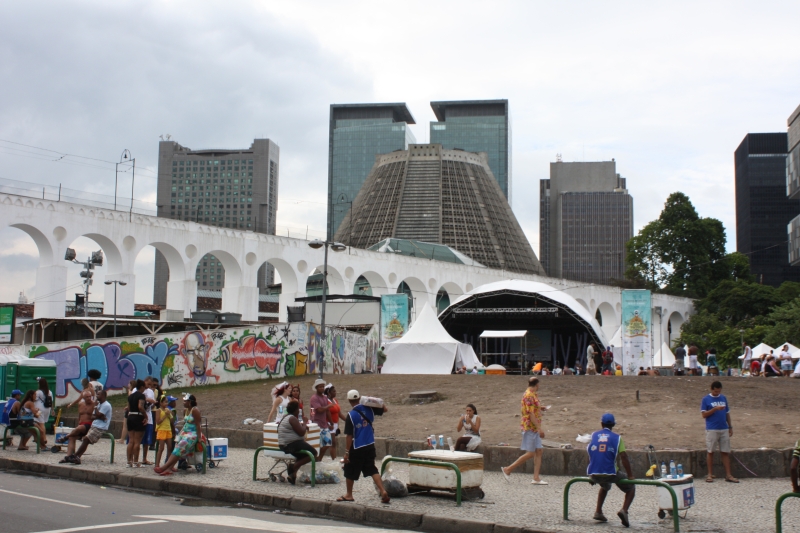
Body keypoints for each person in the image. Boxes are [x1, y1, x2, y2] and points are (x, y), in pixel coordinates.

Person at [338, 389, 390, 504]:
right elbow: (385, 409)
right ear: (359, 398)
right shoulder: (369, 409)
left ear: (349, 400)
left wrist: (347, 453)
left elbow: (349, 436)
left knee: (349, 470)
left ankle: (349, 495)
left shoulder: (351, 415)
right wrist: (373, 401)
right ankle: (383, 491)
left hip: (357, 447)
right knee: (372, 469)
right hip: (370, 445)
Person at [587, 413, 635, 527]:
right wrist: (630, 475)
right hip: (610, 473)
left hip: (594, 473)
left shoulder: (594, 435)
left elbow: (591, 453)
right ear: (613, 425)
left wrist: (591, 474)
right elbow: (624, 457)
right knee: (631, 487)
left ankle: (598, 511)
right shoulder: (617, 438)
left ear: (601, 423)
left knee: (605, 486)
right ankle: (624, 510)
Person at [501, 377, 548, 485]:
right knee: (531, 453)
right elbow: (530, 413)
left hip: (532, 427)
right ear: (537, 384)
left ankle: (536, 478)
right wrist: (539, 429)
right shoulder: (529, 395)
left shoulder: (532, 394)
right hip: (530, 427)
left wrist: (540, 408)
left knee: (539, 451)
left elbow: (531, 408)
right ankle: (508, 469)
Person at [155, 394, 203, 476]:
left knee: (180, 447)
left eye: (185, 401)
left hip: (192, 433)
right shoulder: (185, 410)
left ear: (190, 402)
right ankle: (169, 468)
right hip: (185, 432)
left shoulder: (195, 410)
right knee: (177, 446)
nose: (183, 403)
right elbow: (185, 423)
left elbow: (198, 425)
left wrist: (199, 437)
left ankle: (165, 467)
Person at [701, 381, 738, 483]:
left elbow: (727, 413)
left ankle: (728, 475)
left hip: (724, 428)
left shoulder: (723, 398)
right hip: (712, 428)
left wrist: (730, 426)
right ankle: (709, 474)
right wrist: (715, 409)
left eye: (719, 391)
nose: (717, 393)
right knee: (711, 451)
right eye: (716, 391)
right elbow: (704, 415)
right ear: (712, 389)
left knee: (725, 451)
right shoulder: (706, 399)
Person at [62, 390, 111, 465]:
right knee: (75, 437)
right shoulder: (96, 405)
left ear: (103, 396)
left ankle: (74, 456)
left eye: (98, 394)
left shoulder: (105, 405)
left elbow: (97, 415)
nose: (96, 396)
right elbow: (93, 416)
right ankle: (70, 457)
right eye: (86, 397)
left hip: (100, 427)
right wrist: (99, 416)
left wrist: (96, 412)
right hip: (94, 425)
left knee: (85, 439)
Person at [276, 400, 318, 484]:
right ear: (295, 410)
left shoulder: (285, 417)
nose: (299, 410)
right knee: (313, 453)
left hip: (284, 444)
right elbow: (301, 432)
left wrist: (302, 425)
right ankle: (293, 467)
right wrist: (305, 422)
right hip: (291, 444)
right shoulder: (292, 418)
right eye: (298, 408)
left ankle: (292, 475)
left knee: (302, 456)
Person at [59, 385, 95, 457]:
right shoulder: (81, 404)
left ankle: (65, 437)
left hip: (88, 424)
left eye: (90, 397)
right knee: (72, 437)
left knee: (79, 428)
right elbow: (80, 415)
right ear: (83, 398)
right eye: (87, 397)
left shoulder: (94, 404)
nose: (89, 398)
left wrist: (91, 389)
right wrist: (79, 422)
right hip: (81, 424)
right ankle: (68, 456)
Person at [310, 378, 333, 459]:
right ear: (316, 388)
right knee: (318, 444)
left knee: (328, 443)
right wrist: (328, 406)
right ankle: (317, 458)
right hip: (316, 424)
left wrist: (331, 422)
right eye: (320, 387)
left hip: (324, 424)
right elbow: (319, 410)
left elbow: (327, 411)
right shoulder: (314, 398)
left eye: (323, 387)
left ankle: (319, 458)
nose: (322, 388)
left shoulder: (324, 398)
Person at [126, 379, 147, 468]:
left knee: (131, 441)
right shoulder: (141, 396)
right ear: (141, 387)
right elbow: (140, 407)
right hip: (138, 417)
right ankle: (136, 462)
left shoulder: (130, 396)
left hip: (130, 416)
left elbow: (128, 408)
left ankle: (129, 462)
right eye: (144, 387)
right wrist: (146, 416)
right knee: (137, 441)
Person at [140, 377, 158, 465]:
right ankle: (133, 459)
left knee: (146, 441)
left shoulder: (150, 391)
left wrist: (151, 402)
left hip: (148, 417)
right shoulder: (138, 390)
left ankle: (144, 458)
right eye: (149, 384)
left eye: (151, 385)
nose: (150, 386)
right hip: (139, 417)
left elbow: (152, 404)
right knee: (136, 439)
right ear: (145, 382)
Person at [154, 395, 174, 467]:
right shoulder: (158, 410)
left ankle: (169, 465)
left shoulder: (167, 410)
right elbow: (158, 422)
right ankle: (157, 464)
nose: (167, 404)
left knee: (170, 447)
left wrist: (170, 414)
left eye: (167, 402)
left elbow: (171, 421)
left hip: (168, 429)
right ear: (161, 403)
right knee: (161, 448)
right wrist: (165, 415)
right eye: (165, 402)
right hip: (161, 430)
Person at [33, 377, 52, 450]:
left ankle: (43, 438)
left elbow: (34, 399)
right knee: (42, 423)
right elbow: (51, 400)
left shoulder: (38, 392)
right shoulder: (50, 392)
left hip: (39, 408)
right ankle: (42, 437)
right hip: (47, 408)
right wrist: (52, 410)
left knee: (40, 423)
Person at [324, 383, 341, 460]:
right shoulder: (326, 401)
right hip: (329, 424)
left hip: (335, 424)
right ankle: (333, 459)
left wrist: (347, 420)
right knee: (332, 442)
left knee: (333, 443)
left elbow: (339, 413)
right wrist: (330, 424)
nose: (335, 392)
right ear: (329, 392)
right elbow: (326, 413)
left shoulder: (335, 400)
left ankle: (334, 458)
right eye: (333, 391)